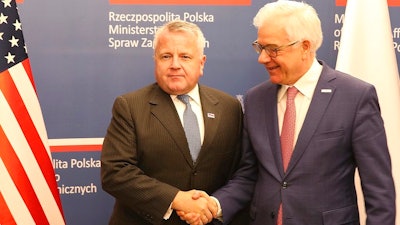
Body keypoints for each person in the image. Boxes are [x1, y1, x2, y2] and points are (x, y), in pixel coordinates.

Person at [180, 1, 396, 224]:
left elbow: (379, 191)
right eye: (260, 47)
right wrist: (214, 205)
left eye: (273, 49)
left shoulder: (355, 96)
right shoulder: (256, 99)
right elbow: (249, 175)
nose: (262, 58)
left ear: (304, 47)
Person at [100, 19, 248, 225]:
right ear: (156, 60)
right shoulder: (130, 106)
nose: (175, 65)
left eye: (185, 56)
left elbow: (242, 171)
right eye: (166, 56)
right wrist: (177, 199)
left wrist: (213, 205)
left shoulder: (229, 107)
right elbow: (115, 173)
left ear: (201, 62)